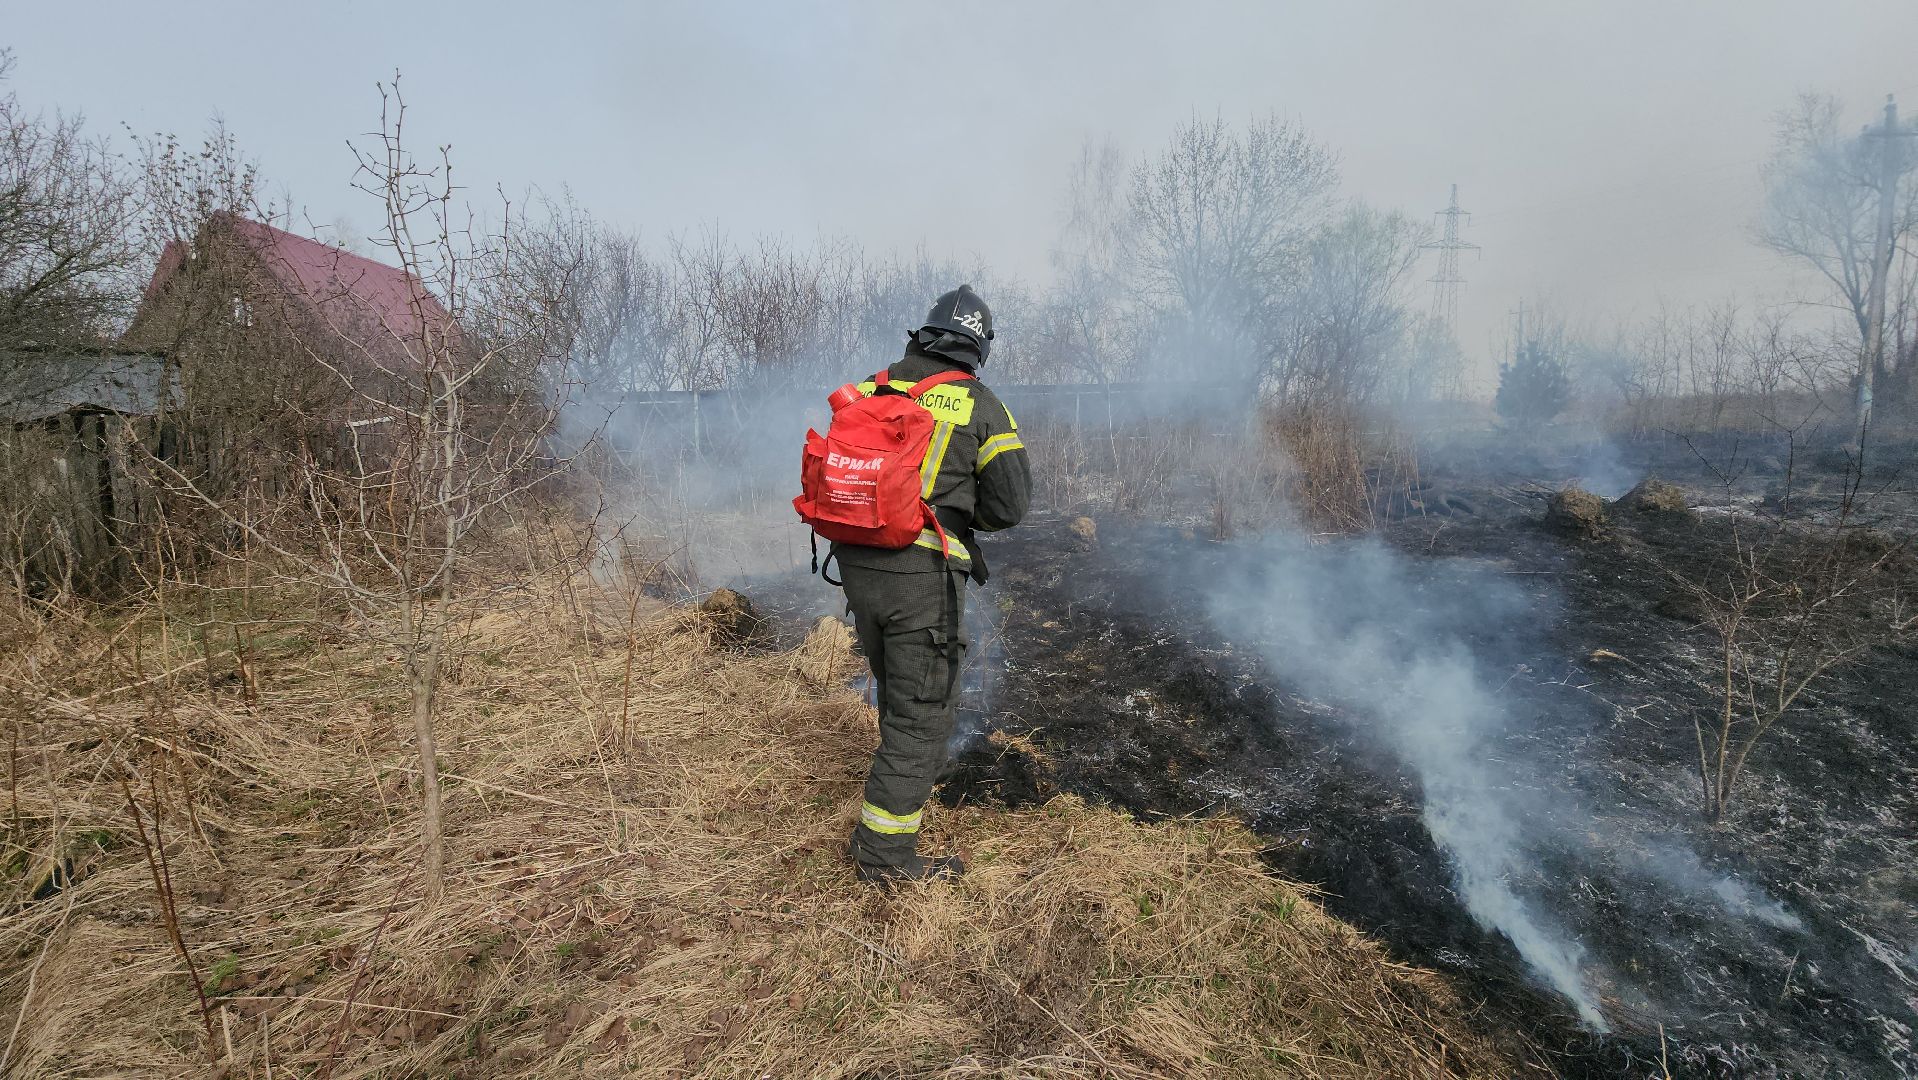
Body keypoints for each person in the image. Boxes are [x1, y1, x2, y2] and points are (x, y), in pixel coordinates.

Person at [834, 284, 1030, 884]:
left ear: (925, 332)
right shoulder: (978, 403)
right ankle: (884, 856)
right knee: (924, 712)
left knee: (900, 689)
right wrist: (960, 508)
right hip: (919, 577)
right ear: (978, 347)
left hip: (857, 566)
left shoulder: (870, 387)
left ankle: (900, 782)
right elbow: (1010, 505)